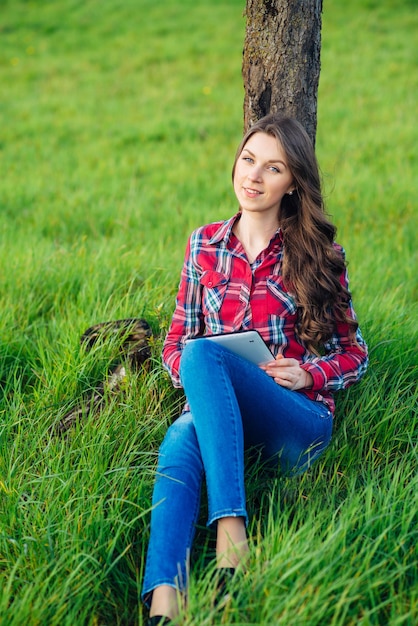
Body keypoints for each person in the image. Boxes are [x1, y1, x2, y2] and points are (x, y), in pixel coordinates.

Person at [141, 114, 368, 625]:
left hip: (294, 420)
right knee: (182, 428)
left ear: (292, 185)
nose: (254, 176)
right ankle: (164, 605)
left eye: (273, 168)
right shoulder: (204, 245)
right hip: (221, 412)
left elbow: (356, 353)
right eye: (248, 160)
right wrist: (205, 385)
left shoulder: (320, 255)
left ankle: (231, 529)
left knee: (204, 356)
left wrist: (307, 374)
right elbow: (176, 343)